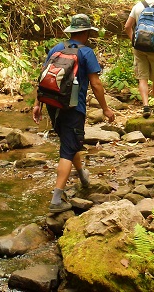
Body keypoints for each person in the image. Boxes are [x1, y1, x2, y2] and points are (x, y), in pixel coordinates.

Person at [32, 14, 115, 213]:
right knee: (68, 150)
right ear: (85, 33)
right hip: (73, 107)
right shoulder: (87, 53)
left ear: (71, 32)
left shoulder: (56, 49)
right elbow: (95, 83)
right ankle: (56, 199)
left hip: (53, 104)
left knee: (69, 142)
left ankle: (82, 174)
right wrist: (105, 108)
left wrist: (37, 104)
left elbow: (42, 78)